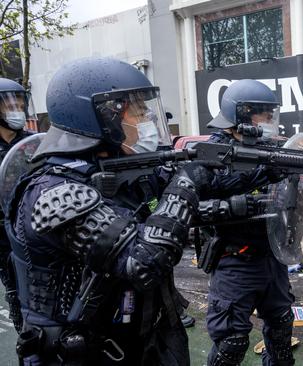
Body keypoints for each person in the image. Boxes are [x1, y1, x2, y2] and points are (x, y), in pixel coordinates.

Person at [3, 57, 228, 364]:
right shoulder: (52, 193)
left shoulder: (119, 169)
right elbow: (144, 262)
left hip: (135, 338)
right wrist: (186, 182)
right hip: (78, 352)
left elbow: (205, 183)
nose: (148, 118)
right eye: (140, 111)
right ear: (105, 118)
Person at [204, 79, 300, 366]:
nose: (271, 121)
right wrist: (266, 172)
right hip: (237, 260)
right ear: (242, 115)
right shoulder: (216, 149)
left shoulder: (269, 147)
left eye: (273, 114)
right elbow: (214, 183)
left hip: (273, 256)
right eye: (265, 114)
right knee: (231, 342)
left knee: (282, 329)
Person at [0, 77, 33, 333]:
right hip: (2, 230)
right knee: (14, 287)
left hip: (32, 223)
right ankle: (25, 335)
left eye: (19, 105)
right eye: (9, 106)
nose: (16, 110)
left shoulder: (33, 142)